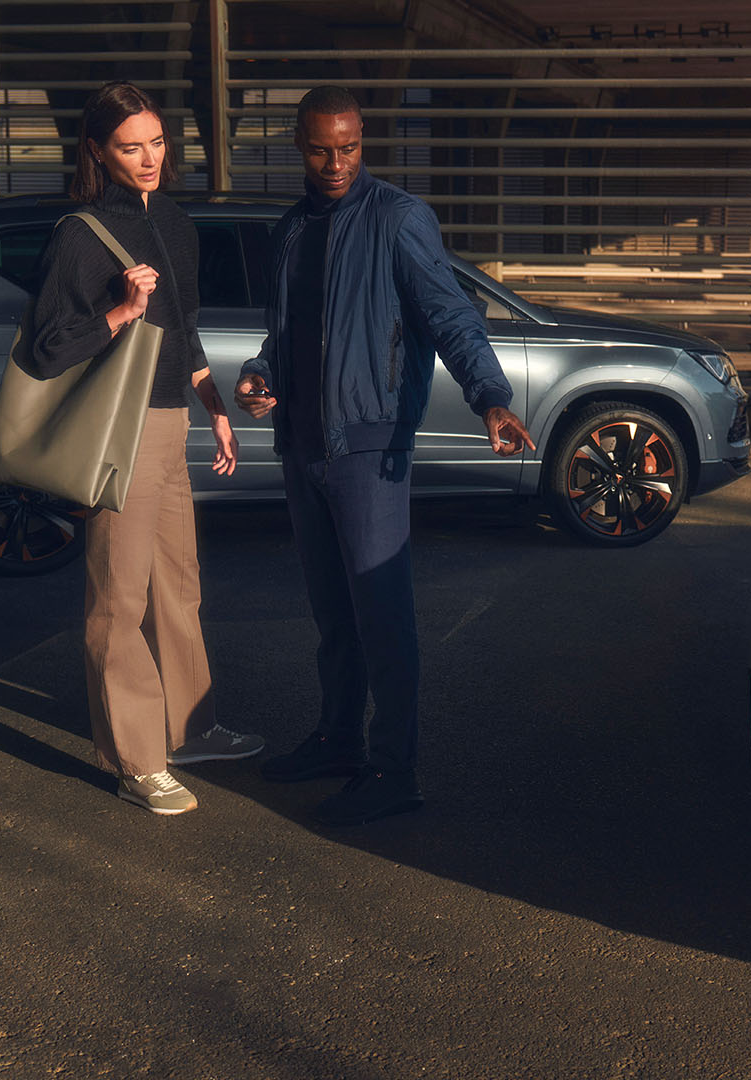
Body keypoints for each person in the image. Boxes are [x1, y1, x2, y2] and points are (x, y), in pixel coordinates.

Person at [236, 85, 535, 828]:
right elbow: (287, 336)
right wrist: (260, 376)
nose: (336, 163)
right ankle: (339, 739)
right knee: (333, 616)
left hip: (369, 447)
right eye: (319, 148)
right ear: (296, 145)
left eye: (350, 147)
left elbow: (450, 314)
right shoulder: (291, 230)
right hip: (303, 445)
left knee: (382, 617)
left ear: (364, 141)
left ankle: (394, 770)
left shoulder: (399, 219)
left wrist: (491, 396)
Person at [26, 80, 262, 815]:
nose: (149, 156)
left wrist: (215, 407)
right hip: (117, 428)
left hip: (171, 422)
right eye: (131, 146)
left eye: (157, 141)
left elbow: (186, 332)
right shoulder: (81, 232)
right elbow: (45, 347)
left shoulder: (178, 225)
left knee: (178, 584)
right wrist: (121, 311)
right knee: (118, 598)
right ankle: (138, 759)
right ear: (98, 150)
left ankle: (192, 727)